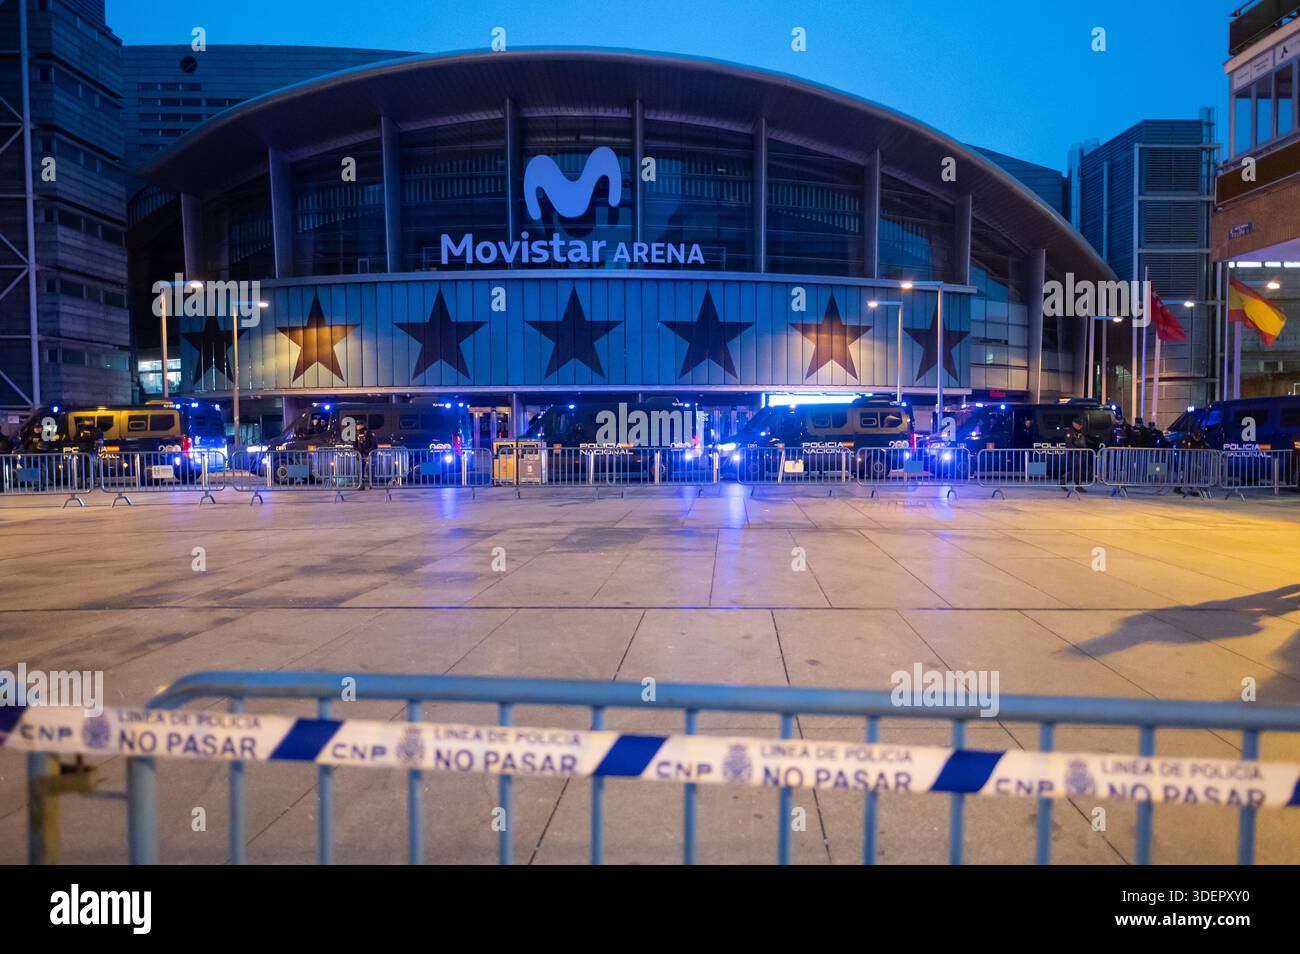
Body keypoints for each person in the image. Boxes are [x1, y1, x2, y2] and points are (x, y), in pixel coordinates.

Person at [1063, 415, 1090, 493]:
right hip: (1074, 453)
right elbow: (1068, 444)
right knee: (1077, 469)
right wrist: (1076, 449)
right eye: (1078, 424)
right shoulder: (1070, 431)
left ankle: (1063, 482)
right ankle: (1077, 486)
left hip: (1081, 453)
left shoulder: (1080, 431)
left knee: (1078, 469)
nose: (1080, 426)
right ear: (1074, 424)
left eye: (1080, 424)